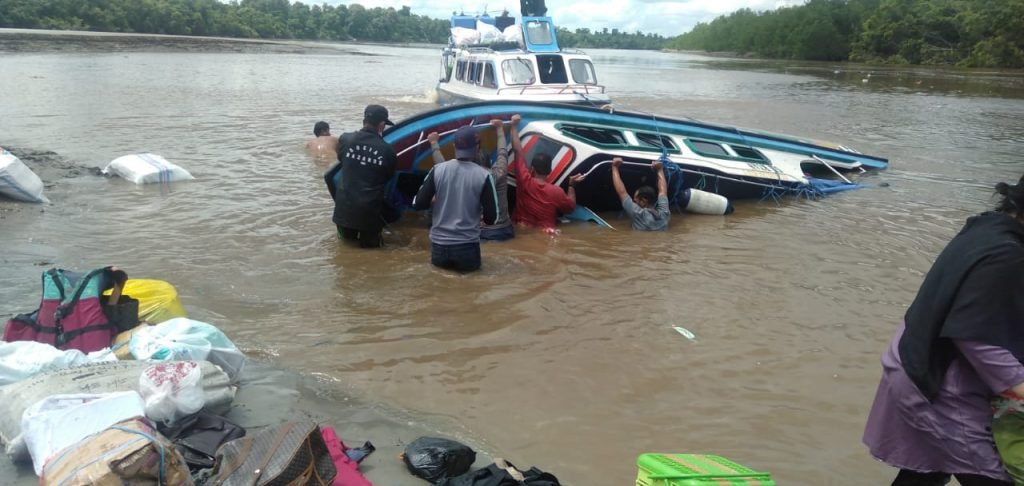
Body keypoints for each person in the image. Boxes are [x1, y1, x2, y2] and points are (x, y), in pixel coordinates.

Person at [863, 174, 1024, 486]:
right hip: (939, 383)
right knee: (989, 475)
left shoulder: (990, 227)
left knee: (927, 472)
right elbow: (975, 338)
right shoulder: (1008, 255)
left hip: (913, 354)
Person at [413, 125, 499, 272]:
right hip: (467, 247)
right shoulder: (484, 176)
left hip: (439, 246)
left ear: (454, 145)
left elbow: (418, 203)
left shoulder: (438, 170)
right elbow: (492, 218)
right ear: (477, 147)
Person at [428, 118, 514, 241]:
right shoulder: (500, 172)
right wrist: (500, 129)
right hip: (504, 231)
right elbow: (502, 153)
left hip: (480, 233)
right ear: (490, 162)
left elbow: (442, 166)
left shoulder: (465, 176)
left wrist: (434, 144)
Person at [324, 105, 397, 249]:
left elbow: (342, 161)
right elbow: (387, 177)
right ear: (382, 124)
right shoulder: (387, 150)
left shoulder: (345, 139)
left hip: (344, 211)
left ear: (364, 120)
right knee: (372, 253)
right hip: (369, 213)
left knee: (345, 249)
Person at [508, 115, 583, 230]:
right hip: (545, 232)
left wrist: (514, 126)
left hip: (521, 226)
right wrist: (572, 185)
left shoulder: (524, 181)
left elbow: (518, 151)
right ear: (550, 171)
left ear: (532, 169)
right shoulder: (557, 192)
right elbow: (570, 208)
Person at [611, 157, 670, 231]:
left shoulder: (637, 214)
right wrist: (660, 170)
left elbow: (622, 192)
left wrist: (614, 167)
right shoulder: (664, 213)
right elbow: (663, 191)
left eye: (635, 201)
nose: (633, 203)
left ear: (643, 201)